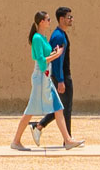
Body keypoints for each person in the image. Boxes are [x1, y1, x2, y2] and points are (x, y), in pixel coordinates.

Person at [10, 11, 80, 151]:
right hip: (40, 77)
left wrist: (54, 53)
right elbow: (41, 62)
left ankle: (68, 140)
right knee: (30, 110)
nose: (50, 21)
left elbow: (46, 57)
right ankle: (16, 141)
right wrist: (57, 55)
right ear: (41, 21)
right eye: (48, 19)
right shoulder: (37, 38)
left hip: (46, 77)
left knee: (58, 107)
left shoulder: (42, 37)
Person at [34, 6, 75, 139]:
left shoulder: (61, 34)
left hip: (61, 75)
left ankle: (39, 126)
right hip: (61, 76)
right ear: (61, 19)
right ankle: (67, 139)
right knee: (65, 108)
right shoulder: (58, 36)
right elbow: (57, 61)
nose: (71, 19)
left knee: (60, 107)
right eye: (69, 17)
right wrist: (61, 80)